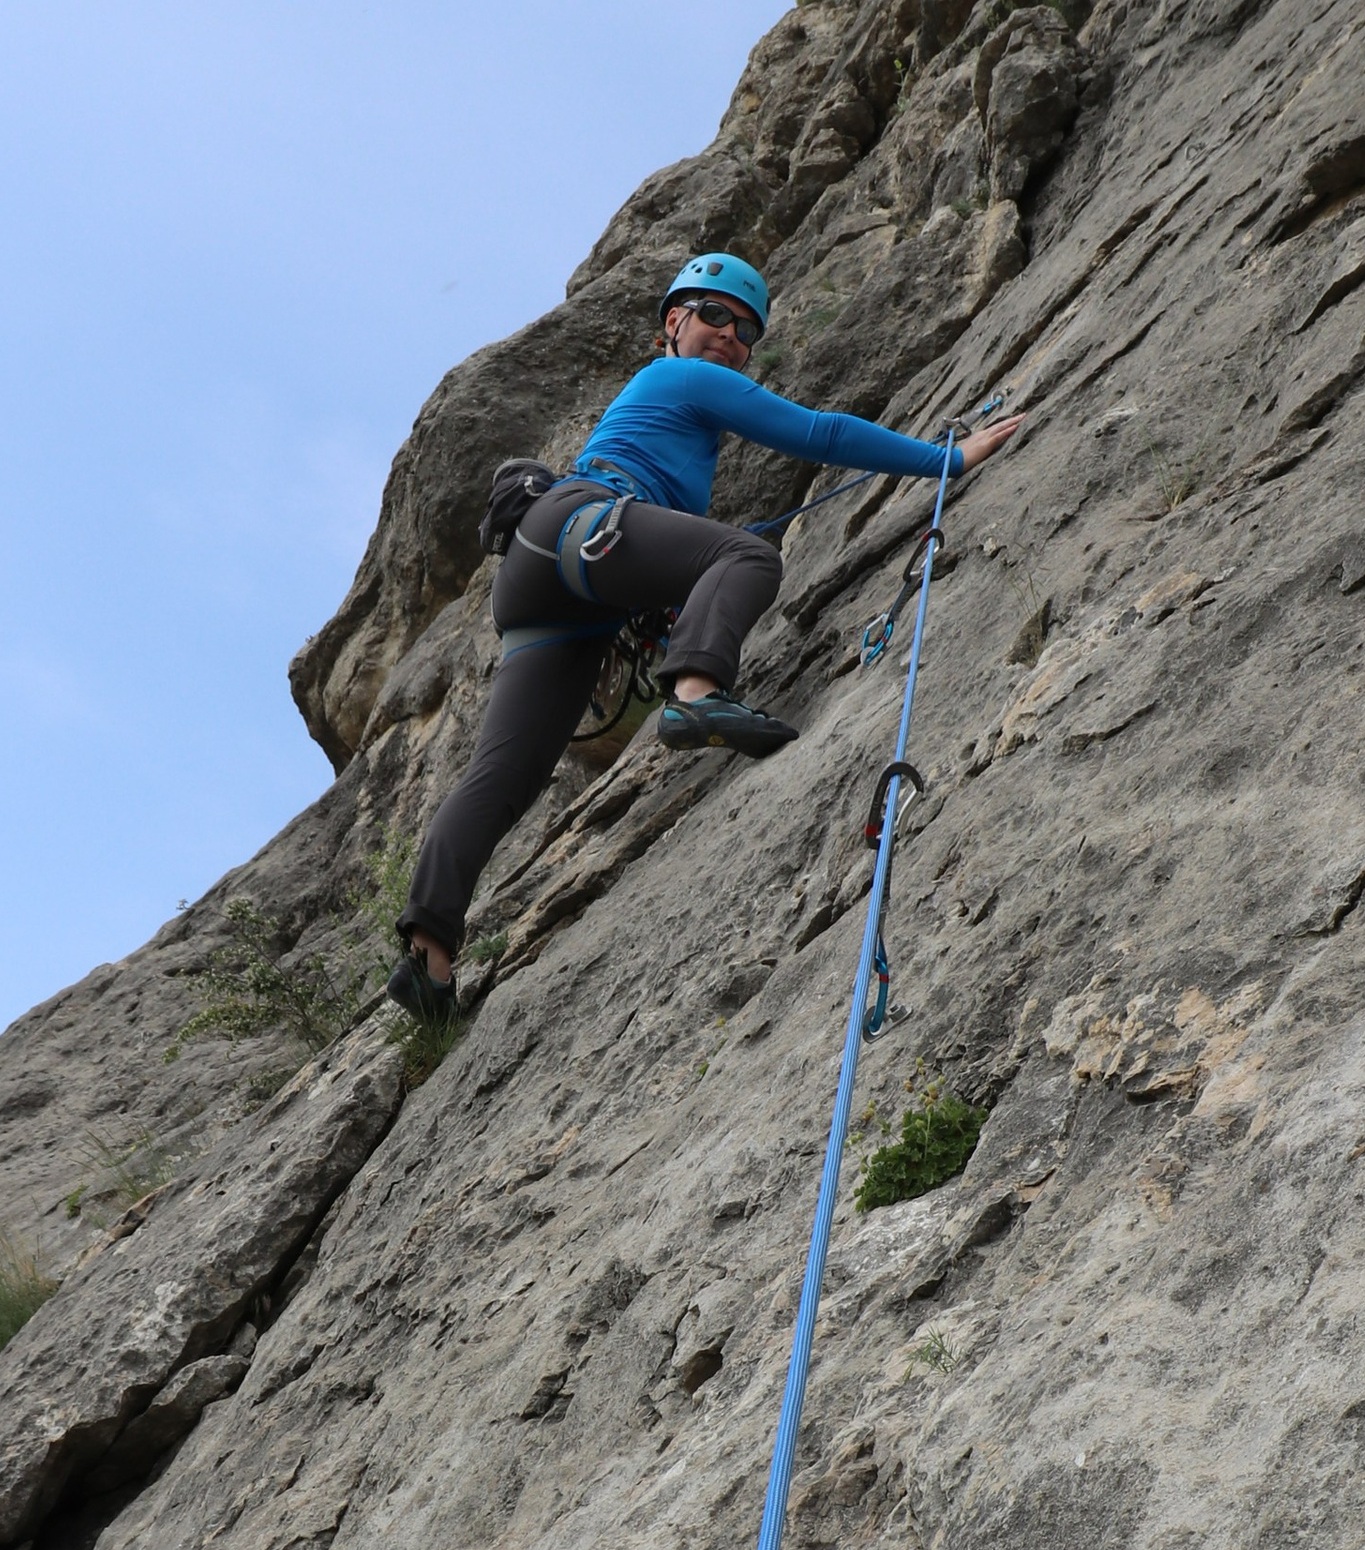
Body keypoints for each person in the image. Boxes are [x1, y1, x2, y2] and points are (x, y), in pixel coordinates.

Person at [386, 253, 1024, 1009]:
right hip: (583, 525)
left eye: (746, 330)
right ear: (674, 324)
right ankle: (695, 693)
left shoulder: (666, 411)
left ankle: (427, 962)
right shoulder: (680, 377)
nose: (729, 336)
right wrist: (945, 458)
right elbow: (816, 431)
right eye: (714, 316)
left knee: (507, 774)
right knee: (747, 554)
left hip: (548, 584)